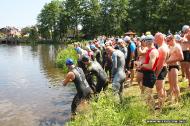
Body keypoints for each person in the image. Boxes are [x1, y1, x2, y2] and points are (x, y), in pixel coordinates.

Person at [139, 35, 159, 110]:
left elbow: (151, 66)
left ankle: (152, 112)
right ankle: (150, 109)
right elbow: (147, 62)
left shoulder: (153, 51)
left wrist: (141, 64)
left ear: (147, 42)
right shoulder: (149, 50)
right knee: (146, 94)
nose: (144, 42)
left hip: (150, 74)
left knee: (148, 95)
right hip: (147, 73)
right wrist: (140, 65)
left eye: (144, 41)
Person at [166, 34, 184, 103]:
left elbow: (181, 58)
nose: (167, 42)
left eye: (168, 41)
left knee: (175, 84)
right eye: (166, 41)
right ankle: (172, 98)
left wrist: (169, 61)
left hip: (174, 66)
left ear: (172, 39)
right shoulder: (170, 46)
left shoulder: (177, 46)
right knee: (171, 84)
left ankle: (178, 100)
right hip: (170, 66)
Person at [154, 32, 169, 109]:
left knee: (159, 89)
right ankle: (162, 103)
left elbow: (160, 64)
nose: (154, 39)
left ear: (160, 38)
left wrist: (156, 74)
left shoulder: (162, 48)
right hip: (163, 68)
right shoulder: (163, 46)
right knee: (162, 88)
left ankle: (161, 105)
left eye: (155, 37)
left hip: (161, 69)